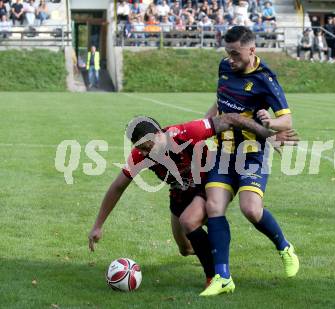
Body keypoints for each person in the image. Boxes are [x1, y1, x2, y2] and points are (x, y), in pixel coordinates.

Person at [88, 114, 298, 287]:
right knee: (185, 249)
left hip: (209, 182)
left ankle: (216, 277)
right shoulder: (141, 156)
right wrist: (98, 225)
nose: (144, 152)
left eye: (147, 146)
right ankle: (217, 252)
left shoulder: (186, 133)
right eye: (140, 148)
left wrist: (266, 135)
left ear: (160, 134)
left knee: (190, 221)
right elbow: (117, 187)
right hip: (180, 192)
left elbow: (231, 118)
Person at [200, 26, 299, 297]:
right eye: (227, 53)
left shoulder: (266, 79)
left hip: (252, 153)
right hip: (223, 152)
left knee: (251, 210)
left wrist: (271, 122)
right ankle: (223, 276)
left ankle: (284, 247)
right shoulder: (224, 67)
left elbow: (287, 120)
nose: (230, 59)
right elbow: (219, 102)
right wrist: (205, 126)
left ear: (252, 50)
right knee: (213, 206)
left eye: (235, 54)